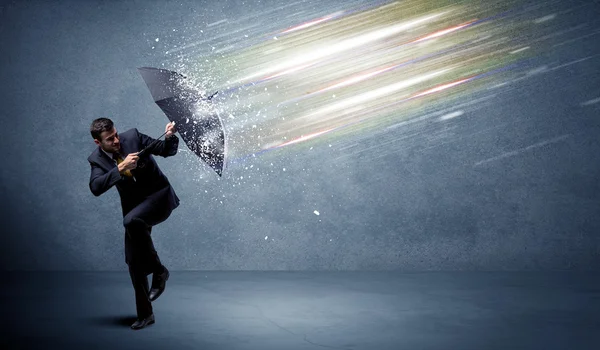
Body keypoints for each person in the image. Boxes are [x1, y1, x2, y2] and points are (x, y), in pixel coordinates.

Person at [87, 117, 179, 330]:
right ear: (98, 143)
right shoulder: (96, 159)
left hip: (159, 198)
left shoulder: (133, 137)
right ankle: (146, 314)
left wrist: (169, 136)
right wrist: (120, 169)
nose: (117, 141)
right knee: (133, 261)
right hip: (135, 211)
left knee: (129, 221)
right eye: (110, 140)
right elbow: (95, 187)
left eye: (116, 135)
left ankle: (158, 271)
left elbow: (167, 151)